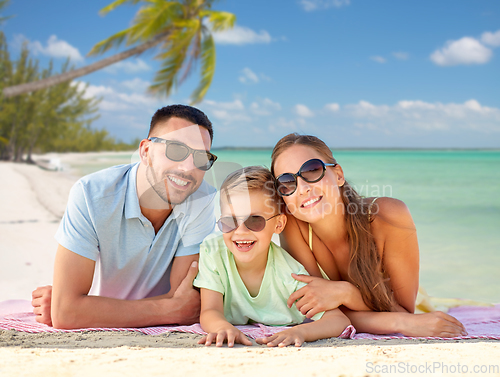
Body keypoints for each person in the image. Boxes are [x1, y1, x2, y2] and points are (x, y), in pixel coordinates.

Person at [31, 104, 218, 329]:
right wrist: (168, 310)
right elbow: (66, 314)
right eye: (176, 150)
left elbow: (187, 301)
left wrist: (85, 308)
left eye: (200, 157)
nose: (188, 168)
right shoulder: (92, 194)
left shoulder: (203, 198)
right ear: (146, 151)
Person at [270, 133, 467, 338]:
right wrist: (399, 322)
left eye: (312, 170)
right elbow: (325, 314)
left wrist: (346, 294)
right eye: (286, 182)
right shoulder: (293, 225)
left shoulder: (388, 216)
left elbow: (404, 312)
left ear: (338, 174)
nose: (302, 189)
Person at [193, 166, 351, 347]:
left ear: (278, 224)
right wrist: (222, 327)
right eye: (230, 221)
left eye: (255, 221)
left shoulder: (289, 273)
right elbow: (210, 310)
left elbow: (339, 320)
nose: (241, 232)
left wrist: (301, 331)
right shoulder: (214, 251)